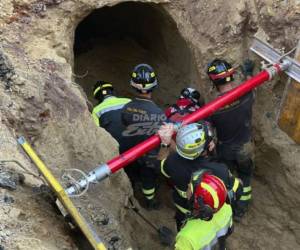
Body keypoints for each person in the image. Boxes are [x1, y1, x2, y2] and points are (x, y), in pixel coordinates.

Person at [157, 122, 243, 230]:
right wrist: (237, 181)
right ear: (203, 150)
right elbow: (238, 190)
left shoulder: (173, 163)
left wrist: (165, 143)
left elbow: (160, 164)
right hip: (213, 214)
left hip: (184, 211)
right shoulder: (219, 171)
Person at [207, 59, 255, 218]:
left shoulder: (212, 108)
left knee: (228, 180)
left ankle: (230, 206)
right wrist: (248, 73)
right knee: (245, 177)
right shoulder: (246, 94)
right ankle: (241, 210)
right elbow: (251, 85)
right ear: (231, 76)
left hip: (225, 150)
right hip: (245, 148)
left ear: (214, 82)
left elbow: (208, 130)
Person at [122, 64, 167, 210]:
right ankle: (150, 200)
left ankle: (135, 184)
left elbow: (126, 126)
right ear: (154, 86)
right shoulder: (159, 113)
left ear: (133, 86)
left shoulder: (126, 109)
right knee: (149, 178)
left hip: (131, 152)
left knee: (136, 172)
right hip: (150, 156)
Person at [175, 169, 233, 250]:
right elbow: (229, 230)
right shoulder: (226, 208)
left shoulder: (186, 238)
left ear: (198, 202)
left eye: (190, 188)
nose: (188, 185)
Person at [91, 80, 131, 153]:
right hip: (138, 145)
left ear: (97, 97)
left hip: (118, 151)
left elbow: (97, 133)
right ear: (112, 91)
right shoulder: (128, 101)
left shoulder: (96, 111)